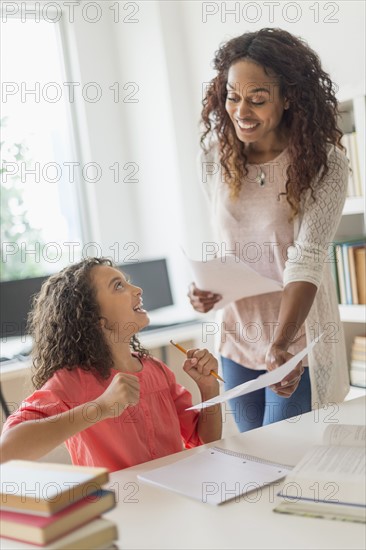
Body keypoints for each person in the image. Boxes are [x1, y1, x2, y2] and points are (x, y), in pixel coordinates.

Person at [188, 27, 349, 432]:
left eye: (257, 99)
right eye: (232, 95)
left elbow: (307, 258)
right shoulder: (213, 159)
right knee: (250, 464)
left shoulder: (324, 163)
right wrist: (207, 290)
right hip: (236, 339)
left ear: (288, 97)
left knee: (287, 467)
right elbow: (232, 246)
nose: (241, 110)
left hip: (294, 342)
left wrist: (281, 345)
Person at [0, 257, 222, 471]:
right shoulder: (71, 382)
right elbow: (7, 451)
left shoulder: (157, 370)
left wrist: (209, 388)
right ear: (95, 318)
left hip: (175, 498)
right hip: (118, 506)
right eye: (118, 286)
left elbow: (205, 441)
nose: (137, 289)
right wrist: (101, 407)